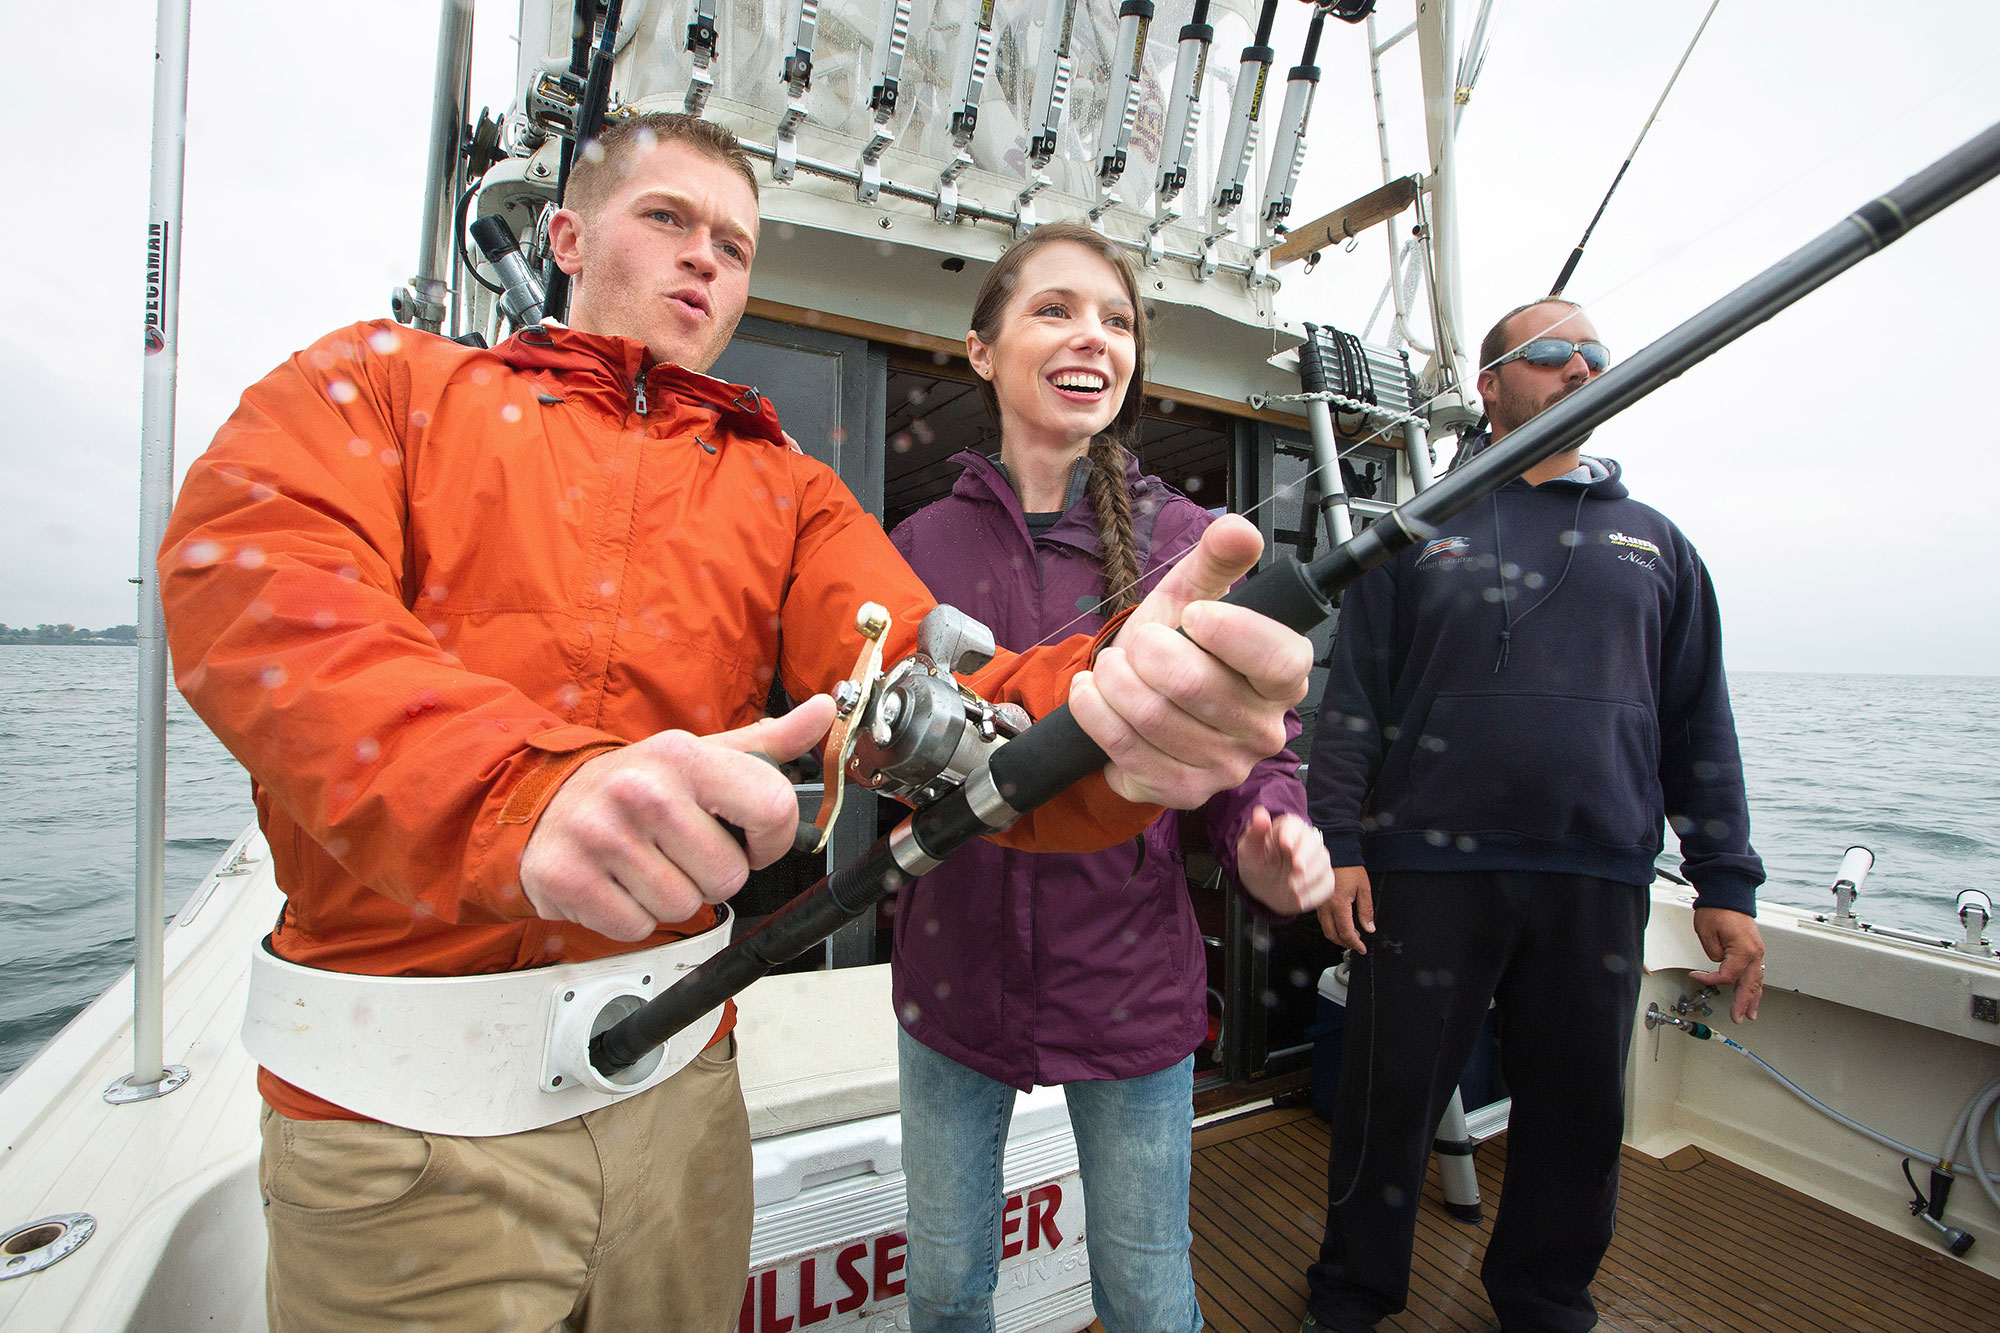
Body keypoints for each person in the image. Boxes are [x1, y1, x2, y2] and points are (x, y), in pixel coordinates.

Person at [158, 113, 1314, 1332]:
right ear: (565, 234)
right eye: (667, 220)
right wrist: (520, 790)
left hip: (681, 1114)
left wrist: (1108, 725)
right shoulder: (384, 387)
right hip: (399, 1134)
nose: (704, 258)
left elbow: (929, 699)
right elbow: (258, 581)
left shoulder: (789, 489)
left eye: (734, 243)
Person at [886, 222, 1337, 1333]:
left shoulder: (1187, 544)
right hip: (950, 978)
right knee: (944, 1288)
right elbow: (872, 736)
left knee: (1143, 1291)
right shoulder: (914, 543)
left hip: (1131, 982)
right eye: (1053, 309)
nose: (1093, 336)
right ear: (981, 350)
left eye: (1117, 319)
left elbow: (1247, 750)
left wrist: (1269, 829)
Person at [1298, 299, 1768, 1333]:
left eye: (1595, 354)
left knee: (1576, 1114)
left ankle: (1544, 1299)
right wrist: (1335, 846)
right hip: (1422, 869)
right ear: (1490, 384)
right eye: (1552, 351)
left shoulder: (1659, 547)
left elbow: (1698, 724)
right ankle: (1349, 1295)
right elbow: (1353, 709)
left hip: (1595, 876)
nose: (1580, 366)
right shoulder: (1416, 533)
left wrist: (1724, 883)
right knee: (1387, 1105)